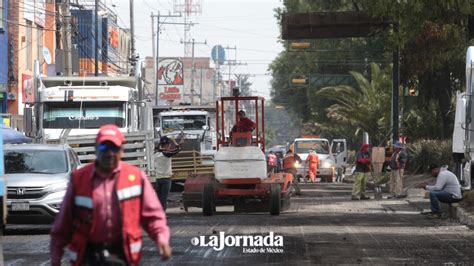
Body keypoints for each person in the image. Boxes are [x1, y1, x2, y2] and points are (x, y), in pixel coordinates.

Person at [50, 124, 171, 266]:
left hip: (123, 255)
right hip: (87, 255)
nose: (109, 153)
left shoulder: (136, 177)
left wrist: (161, 238)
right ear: (96, 149)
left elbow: (153, 216)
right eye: (104, 148)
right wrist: (56, 257)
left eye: (114, 148)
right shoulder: (79, 179)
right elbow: (62, 224)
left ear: (121, 151)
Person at [154, 135, 181, 210]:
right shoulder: (166, 154)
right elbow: (178, 149)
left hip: (158, 178)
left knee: (158, 198)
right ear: (168, 145)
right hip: (166, 179)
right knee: (164, 198)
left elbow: (157, 148)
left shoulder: (156, 154)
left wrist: (160, 144)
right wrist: (174, 141)